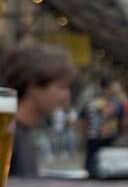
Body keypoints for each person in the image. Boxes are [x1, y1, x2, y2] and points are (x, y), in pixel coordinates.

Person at [3, 44, 76, 177]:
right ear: (33, 87)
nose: (67, 95)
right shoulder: (7, 137)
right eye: (61, 87)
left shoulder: (22, 132)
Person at [78, 76, 125, 174]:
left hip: (92, 135)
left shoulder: (90, 101)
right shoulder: (115, 102)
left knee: (91, 160)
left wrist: (83, 135)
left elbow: (82, 120)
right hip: (110, 135)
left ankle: (92, 173)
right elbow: (121, 120)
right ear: (109, 87)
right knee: (108, 160)